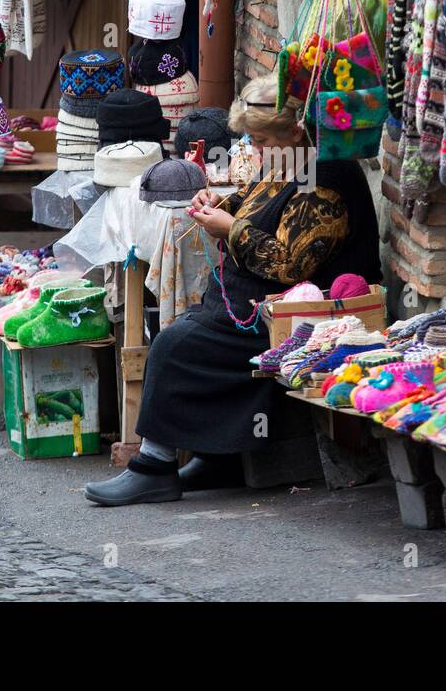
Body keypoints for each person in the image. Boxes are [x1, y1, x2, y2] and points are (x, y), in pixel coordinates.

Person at [84, 74, 382, 506]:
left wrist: (231, 230)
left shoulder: (327, 178)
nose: (255, 149)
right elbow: (260, 203)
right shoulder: (290, 158)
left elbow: (289, 264)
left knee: (174, 344)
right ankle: (219, 455)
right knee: (187, 327)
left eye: (260, 140)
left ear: (295, 130)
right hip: (249, 304)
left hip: (295, 319)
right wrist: (222, 205)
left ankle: (154, 468)